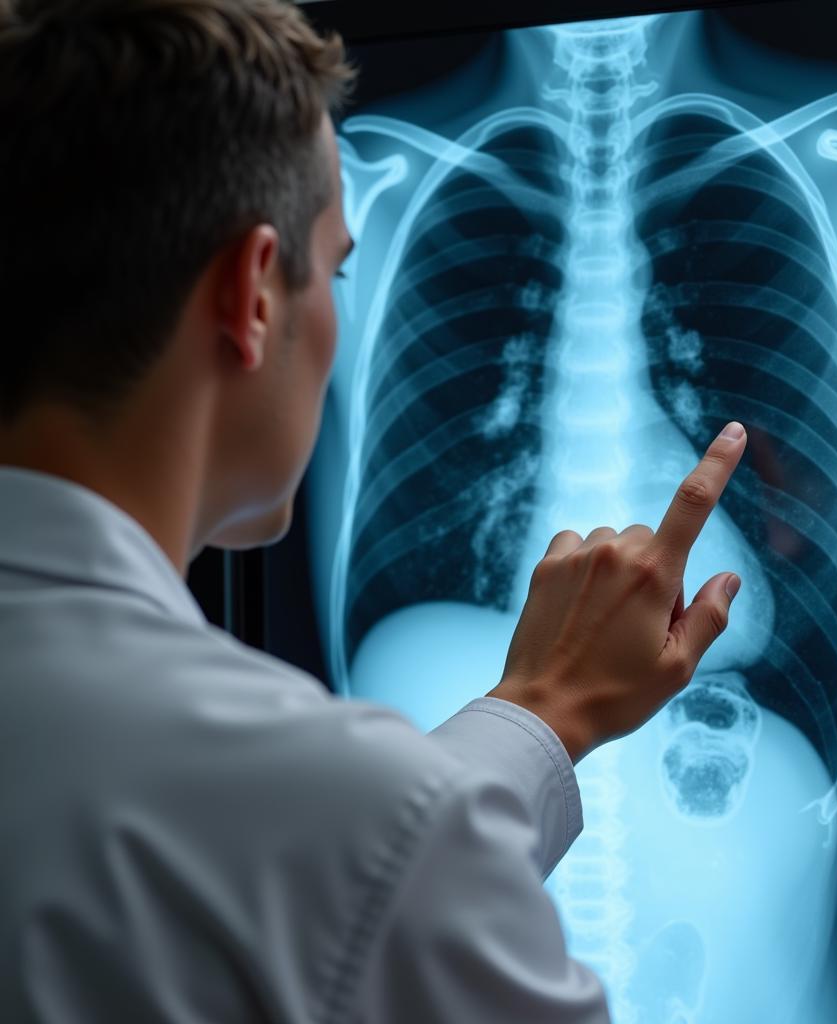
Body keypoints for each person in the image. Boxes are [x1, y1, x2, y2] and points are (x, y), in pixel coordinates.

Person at [0, 1, 746, 1020]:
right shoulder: (358, 823)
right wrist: (483, 773)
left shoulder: (349, 825)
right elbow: (344, 856)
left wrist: (529, 727)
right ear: (254, 295)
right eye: (337, 267)